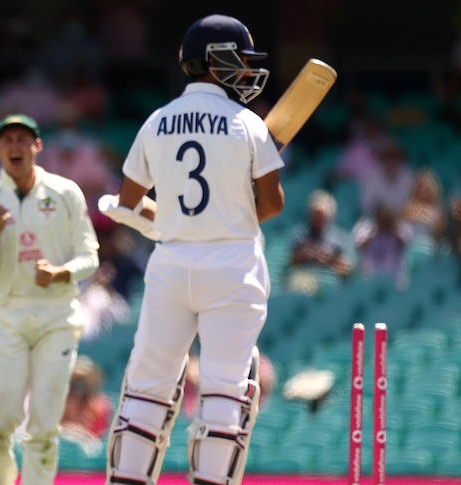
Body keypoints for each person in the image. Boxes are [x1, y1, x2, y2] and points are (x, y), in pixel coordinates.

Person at [97, 14, 285, 485]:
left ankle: (128, 479)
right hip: (232, 264)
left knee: (148, 385)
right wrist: (231, 203)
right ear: (216, 59)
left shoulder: (157, 121)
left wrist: (183, 218)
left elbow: (130, 200)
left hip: (171, 263)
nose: (245, 69)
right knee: (226, 389)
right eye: (239, 59)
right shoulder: (249, 124)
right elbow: (273, 205)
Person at [0, 113, 100, 485]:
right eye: (7, 140)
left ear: (37, 146)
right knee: (0, 424)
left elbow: (90, 256)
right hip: (7, 317)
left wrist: (60, 272)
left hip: (56, 316)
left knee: (43, 424)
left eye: (23, 139)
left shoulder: (65, 193)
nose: (15, 146)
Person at [285, 189, 357, 296]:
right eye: (315, 215)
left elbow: (349, 269)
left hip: (331, 280)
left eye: (321, 215)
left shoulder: (340, 237)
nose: (318, 219)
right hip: (305, 278)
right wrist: (303, 254)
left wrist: (329, 259)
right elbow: (287, 264)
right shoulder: (299, 235)